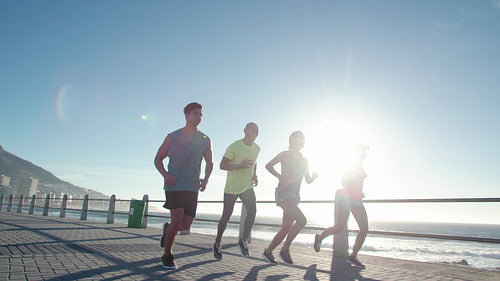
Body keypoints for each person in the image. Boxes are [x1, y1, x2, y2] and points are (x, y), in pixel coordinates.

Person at [154, 102, 213, 270]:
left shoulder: (205, 139)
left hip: (192, 186)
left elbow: (210, 162)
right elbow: (158, 159)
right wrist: (166, 175)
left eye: (201, 114)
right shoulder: (172, 137)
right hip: (174, 184)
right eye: (195, 114)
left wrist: (206, 179)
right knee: (176, 219)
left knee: (185, 225)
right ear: (186, 115)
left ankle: (168, 231)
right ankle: (167, 255)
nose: (198, 117)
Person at [262, 131, 318, 265]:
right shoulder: (284, 155)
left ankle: (268, 252)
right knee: (301, 220)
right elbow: (268, 165)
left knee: (286, 227)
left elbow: (308, 180)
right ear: (291, 141)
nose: (298, 142)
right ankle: (284, 250)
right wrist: (279, 176)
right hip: (283, 194)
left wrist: (314, 177)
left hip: (294, 197)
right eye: (296, 140)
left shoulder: (304, 161)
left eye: (301, 140)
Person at [313, 144, 369, 268]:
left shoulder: (360, 166)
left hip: (357, 200)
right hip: (346, 199)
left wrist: (360, 192)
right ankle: (320, 238)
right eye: (362, 152)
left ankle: (353, 256)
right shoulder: (350, 165)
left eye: (364, 153)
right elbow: (344, 182)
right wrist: (355, 178)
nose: (364, 155)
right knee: (339, 227)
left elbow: (357, 184)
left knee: (364, 228)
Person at [212, 122, 260, 260]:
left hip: (247, 187)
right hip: (232, 188)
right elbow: (222, 165)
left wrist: (254, 175)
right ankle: (217, 243)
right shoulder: (234, 146)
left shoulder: (257, 148)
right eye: (252, 131)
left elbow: (254, 162)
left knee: (253, 212)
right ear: (245, 131)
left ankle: (243, 240)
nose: (255, 134)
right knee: (226, 216)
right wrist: (240, 165)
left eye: (257, 132)